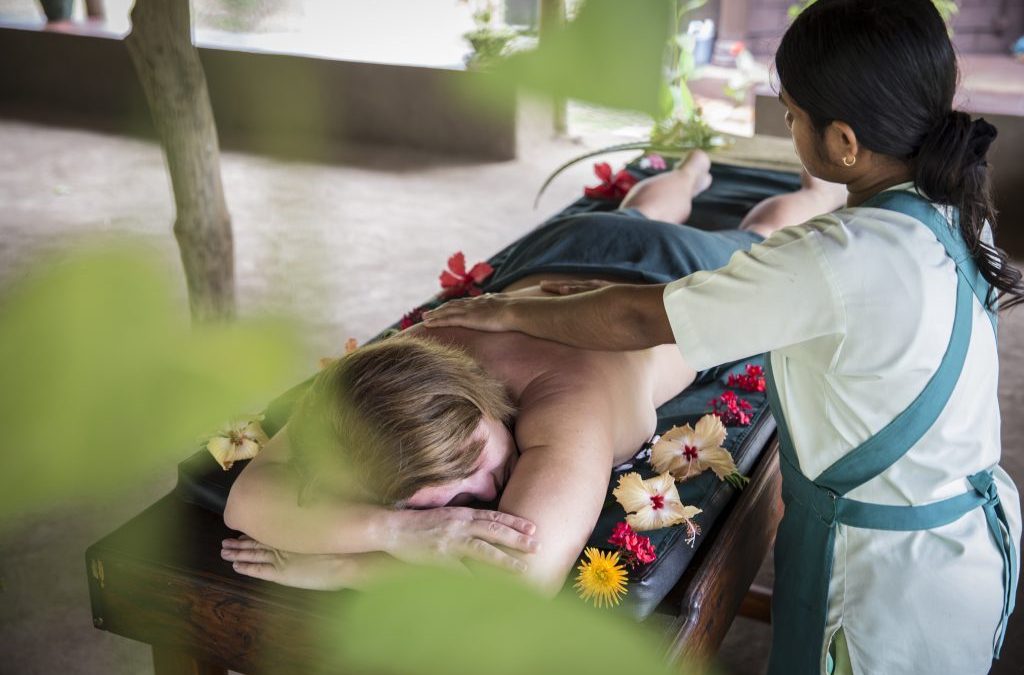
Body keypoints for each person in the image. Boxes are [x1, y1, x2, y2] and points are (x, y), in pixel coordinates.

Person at [422, 1, 1023, 673]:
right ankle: (701, 179)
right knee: (745, 225)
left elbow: (639, 319)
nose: (788, 126)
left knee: (743, 227)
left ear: (845, 142)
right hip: (957, 546)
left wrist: (509, 311)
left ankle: (697, 177)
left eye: (790, 117)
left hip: (887, 585)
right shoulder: (948, 209)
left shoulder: (829, 260)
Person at [220, 151, 846, 596]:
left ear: (486, 407)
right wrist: (397, 531)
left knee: (759, 233)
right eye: (445, 502)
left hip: (673, 278)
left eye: (478, 464)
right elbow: (247, 502)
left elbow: (519, 582)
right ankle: (687, 171)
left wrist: (344, 568)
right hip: (572, 246)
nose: (481, 495)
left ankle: (812, 191)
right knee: (632, 214)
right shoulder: (372, 388)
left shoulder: (566, 405)